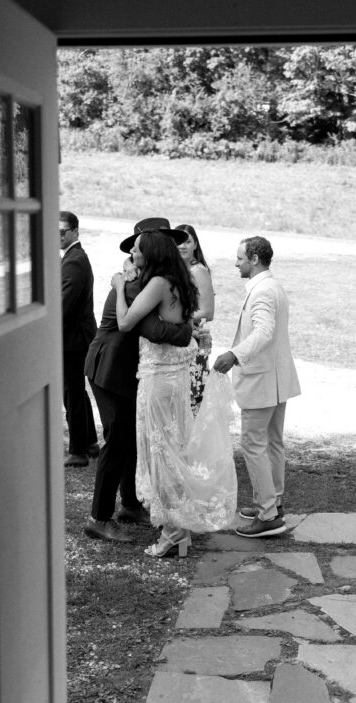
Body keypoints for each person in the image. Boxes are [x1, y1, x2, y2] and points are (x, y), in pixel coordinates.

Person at [114, 229, 237, 557]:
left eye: (138, 250)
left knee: (161, 455)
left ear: (151, 253)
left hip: (157, 380)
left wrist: (117, 285)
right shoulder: (180, 277)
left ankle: (172, 532)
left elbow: (125, 322)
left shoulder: (158, 283)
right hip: (175, 378)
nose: (133, 255)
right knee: (172, 449)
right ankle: (178, 530)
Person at [83, 218, 195, 544]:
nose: (135, 251)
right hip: (110, 367)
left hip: (128, 369)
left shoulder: (149, 281)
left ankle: (130, 504)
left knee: (133, 436)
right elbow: (153, 330)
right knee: (117, 441)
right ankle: (98, 518)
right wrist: (187, 333)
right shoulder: (132, 284)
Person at [213, 236, 301, 538]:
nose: (236, 263)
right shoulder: (271, 286)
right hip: (276, 380)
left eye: (239, 258)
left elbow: (263, 333)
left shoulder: (262, 291)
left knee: (254, 444)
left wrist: (233, 354)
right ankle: (273, 502)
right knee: (273, 443)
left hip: (263, 381)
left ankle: (268, 516)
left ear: (253, 258)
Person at [60, 211, 100, 467]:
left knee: (72, 392)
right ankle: (89, 441)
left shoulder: (74, 261)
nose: (58, 235)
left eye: (62, 231)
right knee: (76, 391)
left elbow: (63, 306)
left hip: (73, 338)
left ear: (75, 231)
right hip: (77, 336)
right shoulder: (74, 257)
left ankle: (78, 451)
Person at [175, 223, 215, 413]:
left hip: (194, 341)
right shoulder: (176, 270)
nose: (182, 246)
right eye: (178, 242)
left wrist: (176, 317)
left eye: (187, 241)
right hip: (178, 341)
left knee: (191, 399)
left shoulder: (198, 271)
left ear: (195, 245)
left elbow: (208, 312)